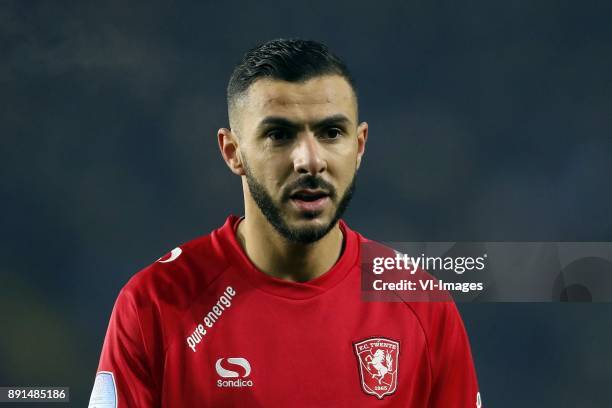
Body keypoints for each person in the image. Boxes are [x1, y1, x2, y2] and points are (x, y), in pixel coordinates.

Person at [88, 38, 481, 407]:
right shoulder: (154, 305)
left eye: (331, 132)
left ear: (359, 146)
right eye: (279, 134)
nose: (309, 160)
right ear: (232, 152)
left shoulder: (419, 304)